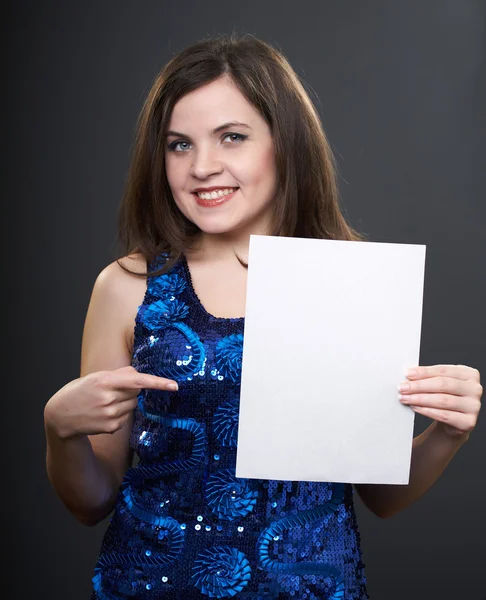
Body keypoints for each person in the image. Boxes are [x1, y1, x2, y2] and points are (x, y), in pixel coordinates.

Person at [43, 33, 482, 600]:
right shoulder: (128, 286)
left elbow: (382, 497)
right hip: (149, 585)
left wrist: (447, 433)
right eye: (179, 144)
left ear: (285, 143)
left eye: (232, 137)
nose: (203, 166)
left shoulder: (352, 283)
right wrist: (60, 430)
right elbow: (90, 502)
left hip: (312, 587)